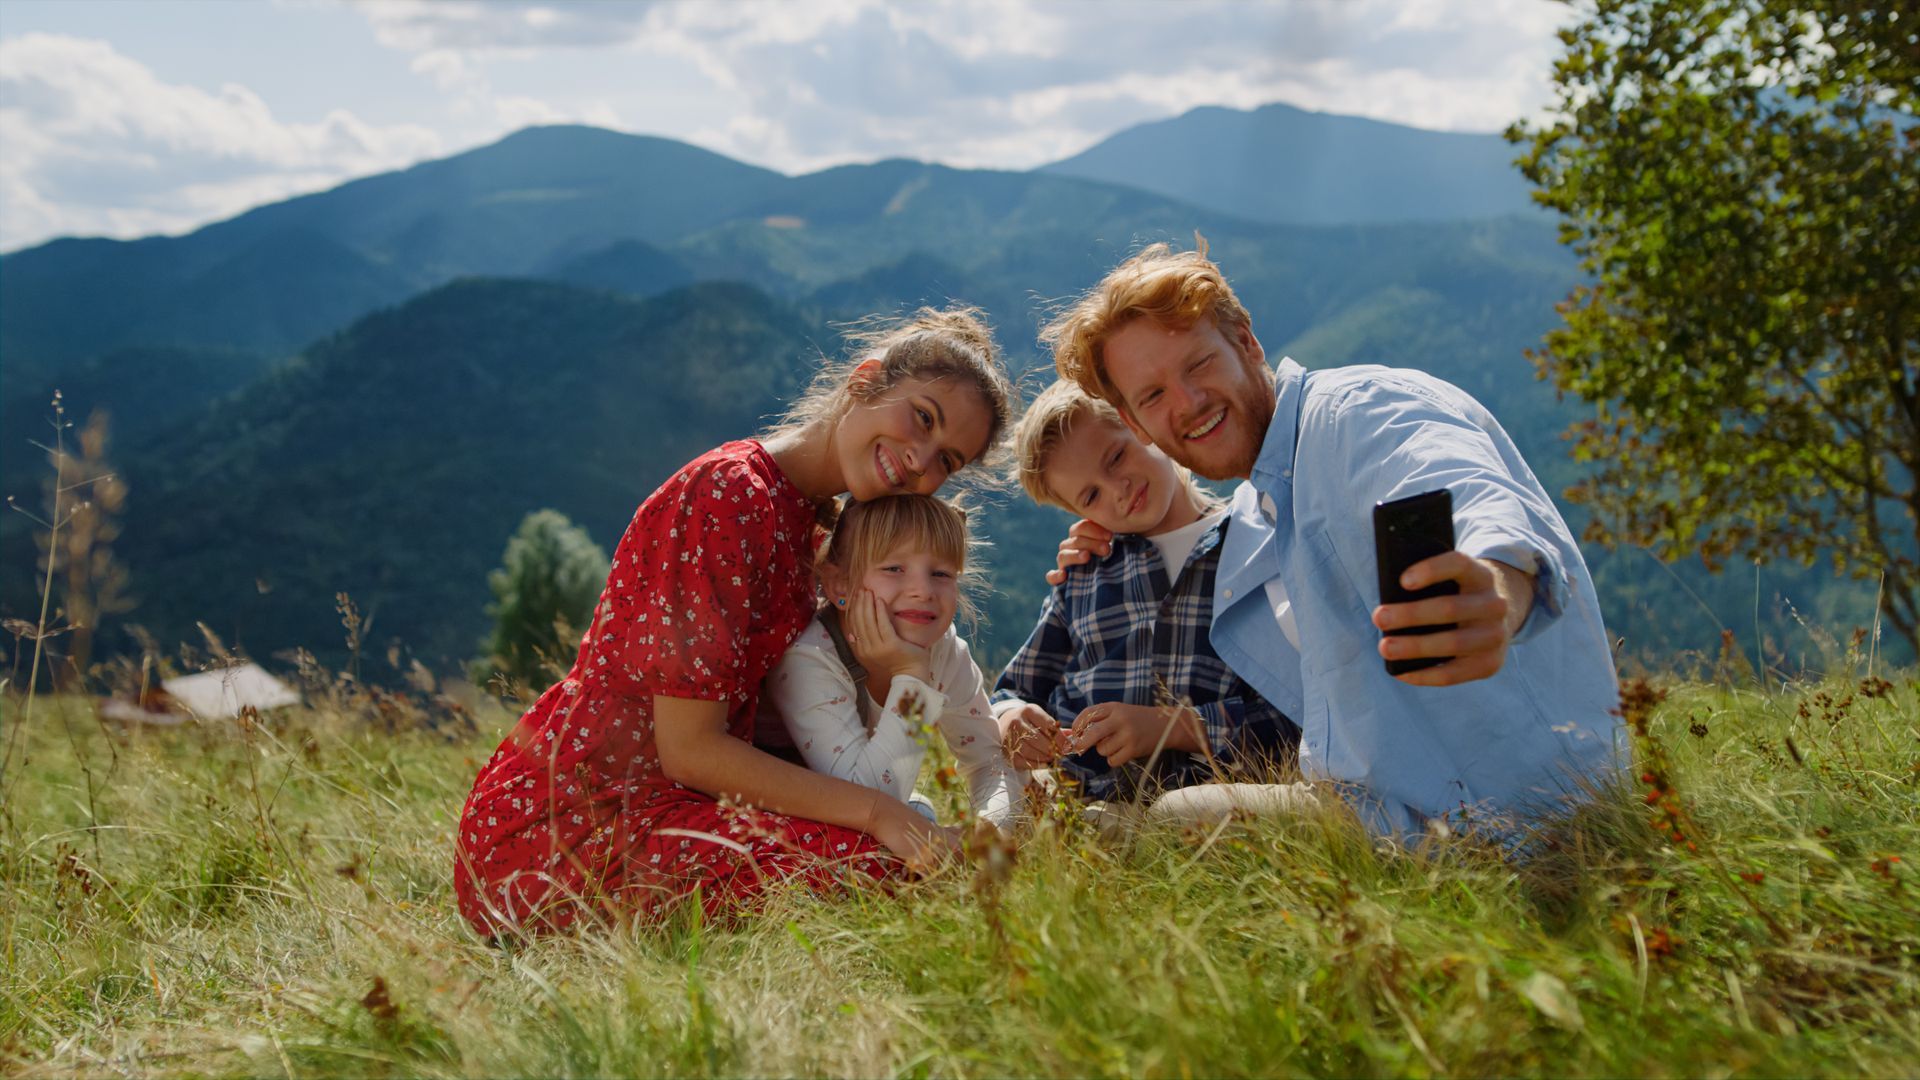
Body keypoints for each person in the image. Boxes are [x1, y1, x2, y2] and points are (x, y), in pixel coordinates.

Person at [453, 306, 1016, 935]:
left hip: (688, 801)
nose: (921, 462)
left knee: (921, 863)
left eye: (947, 461)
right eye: (923, 418)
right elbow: (690, 750)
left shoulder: (816, 524)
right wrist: (880, 813)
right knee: (896, 871)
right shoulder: (728, 494)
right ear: (864, 380)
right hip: (579, 819)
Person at [1043, 239, 1623, 838]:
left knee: (1160, 829)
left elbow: (1460, 482)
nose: (1188, 404)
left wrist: (1498, 589)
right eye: (1154, 396)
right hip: (1385, 807)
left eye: (1198, 364)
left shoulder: (1357, 414)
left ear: (1247, 344)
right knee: (1167, 821)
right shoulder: (1262, 504)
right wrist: (1101, 539)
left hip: (1515, 818)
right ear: (1138, 424)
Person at [992, 380, 1301, 809]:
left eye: (1117, 456)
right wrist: (1011, 718)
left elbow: (1295, 715)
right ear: (1078, 513)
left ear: (1142, 425)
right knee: (1005, 806)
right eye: (1091, 495)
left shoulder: (1256, 546)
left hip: (1210, 801)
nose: (1117, 489)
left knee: (1175, 815)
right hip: (1083, 795)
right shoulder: (1083, 575)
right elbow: (1013, 690)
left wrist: (1172, 726)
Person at [760, 494, 1024, 832]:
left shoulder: (945, 652)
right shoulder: (811, 657)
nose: (923, 590)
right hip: (796, 813)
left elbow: (990, 762)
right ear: (840, 583)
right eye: (894, 568)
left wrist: (989, 831)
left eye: (941, 573)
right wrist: (911, 674)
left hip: (881, 798)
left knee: (916, 821)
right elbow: (867, 805)